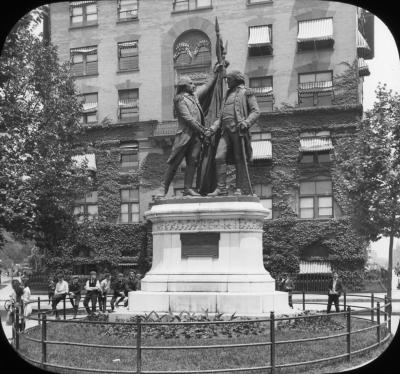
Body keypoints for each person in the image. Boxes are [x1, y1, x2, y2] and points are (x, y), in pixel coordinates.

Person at [157, 63, 224, 198]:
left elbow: (206, 86)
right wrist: (203, 130)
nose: (194, 85)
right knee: (175, 162)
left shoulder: (194, 96)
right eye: (191, 83)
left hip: (196, 137)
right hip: (185, 135)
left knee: (192, 161)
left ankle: (188, 189)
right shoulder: (179, 99)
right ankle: (163, 189)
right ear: (184, 86)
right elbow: (188, 118)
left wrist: (215, 72)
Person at [208, 70, 260, 196]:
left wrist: (246, 123)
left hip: (238, 131)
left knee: (239, 159)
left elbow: (256, 111)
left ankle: (239, 188)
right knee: (219, 157)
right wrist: (212, 129)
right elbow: (220, 117)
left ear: (236, 79)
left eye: (229, 79)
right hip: (225, 131)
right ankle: (221, 188)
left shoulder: (247, 92)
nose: (227, 81)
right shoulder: (227, 95)